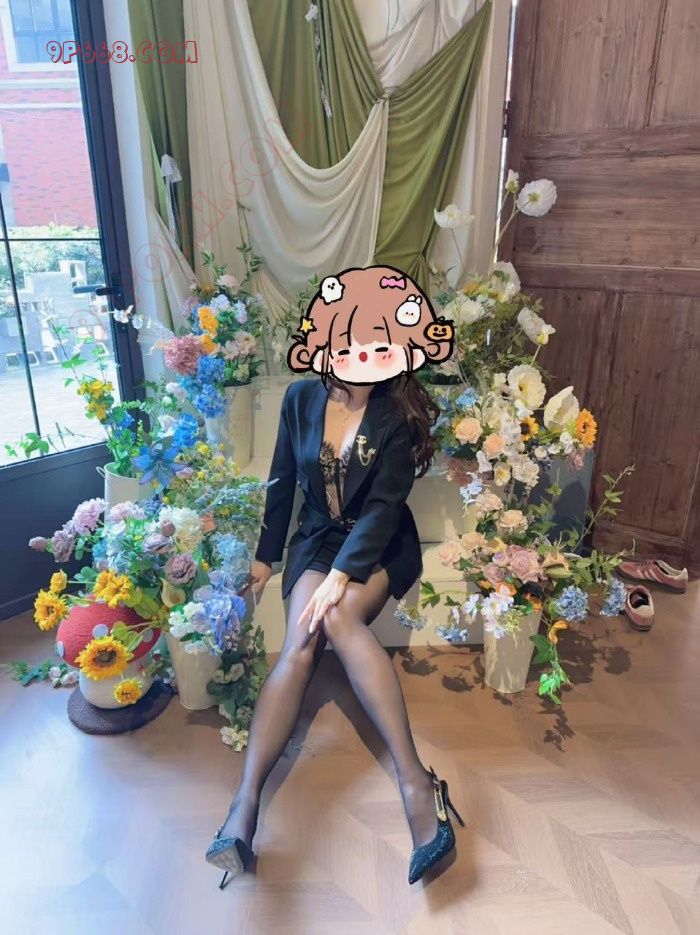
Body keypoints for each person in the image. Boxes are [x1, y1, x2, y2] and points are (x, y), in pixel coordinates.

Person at [206, 265, 465, 887]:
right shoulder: (300, 399)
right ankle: (244, 808)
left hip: (377, 544)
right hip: (317, 538)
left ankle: (415, 783)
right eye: (350, 343)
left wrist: (341, 576)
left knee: (340, 613)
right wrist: (267, 556)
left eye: (378, 344)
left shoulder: (396, 415)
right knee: (301, 638)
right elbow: (282, 483)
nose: (363, 357)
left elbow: (383, 509)